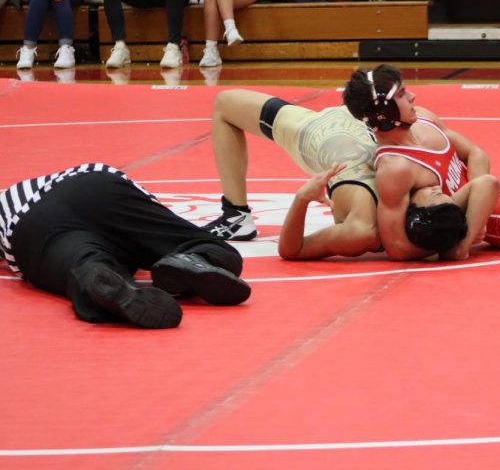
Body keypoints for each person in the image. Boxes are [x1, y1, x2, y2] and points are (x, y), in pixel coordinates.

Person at [0, 162, 251, 329]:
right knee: (208, 246)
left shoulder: (9, 201)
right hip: (96, 185)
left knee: (81, 264)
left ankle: (93, 273)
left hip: (31, 221)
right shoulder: (56, 180)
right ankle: (194, 259)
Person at [342, 64, 500, 261]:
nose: (412, 96)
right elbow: (396, 247)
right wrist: (457, 241)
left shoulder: (424, 117)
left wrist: (478, 214)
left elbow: (476, 154)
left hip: (483, 211)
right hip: (485, 221)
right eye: (401, 94)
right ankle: (460, 250)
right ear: (384, 111)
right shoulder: (395, 168)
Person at [202, 89, 382, 260]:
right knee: (225, 103)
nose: (411, 99)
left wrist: (302, 199)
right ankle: (236, 215)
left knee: (225, 103)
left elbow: (292, 249)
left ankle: (236, 215)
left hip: (328, 134)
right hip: (347, 132)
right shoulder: (368, 228)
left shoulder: (363, 229)